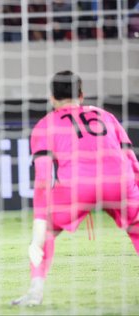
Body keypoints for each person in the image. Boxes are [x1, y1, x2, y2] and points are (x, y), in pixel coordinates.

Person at [12, 70, 139, 306]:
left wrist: (40, 224)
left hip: (77, 186)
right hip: (120, 181)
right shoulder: (106, 116)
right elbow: (132, 160)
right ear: (82, 95)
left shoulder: (45, 125)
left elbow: (42, 178)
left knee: (47, 233)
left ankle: (35, 292)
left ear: (51, 98)